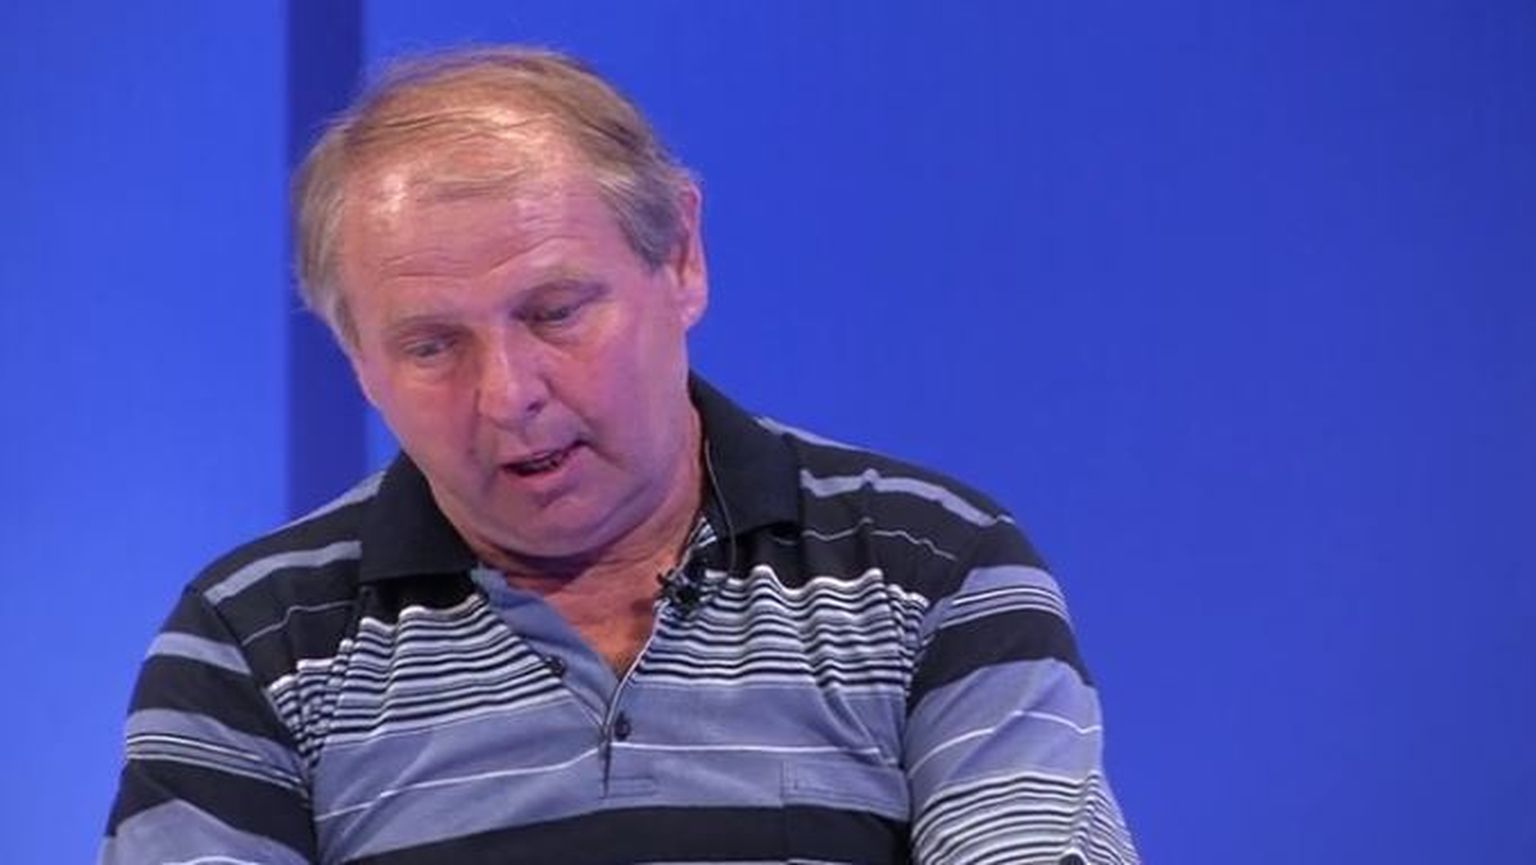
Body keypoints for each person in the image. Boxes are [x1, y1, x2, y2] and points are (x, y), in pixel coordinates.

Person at [101, 46, 1138, 865]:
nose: (508, 394)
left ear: (680, 257)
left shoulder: (933, 569)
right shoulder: (251, 643)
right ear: (357, 360)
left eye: (556, 312)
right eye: (432, 346)